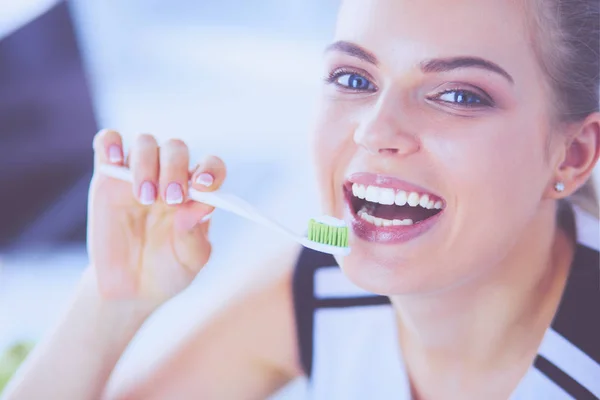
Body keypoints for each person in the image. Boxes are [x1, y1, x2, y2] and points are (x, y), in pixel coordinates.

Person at [3, 0, 599, 399]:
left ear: (572, 155)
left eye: (460, 96)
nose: (374, 130)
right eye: (354, 80)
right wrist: (112, 303)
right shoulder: (319, 289)